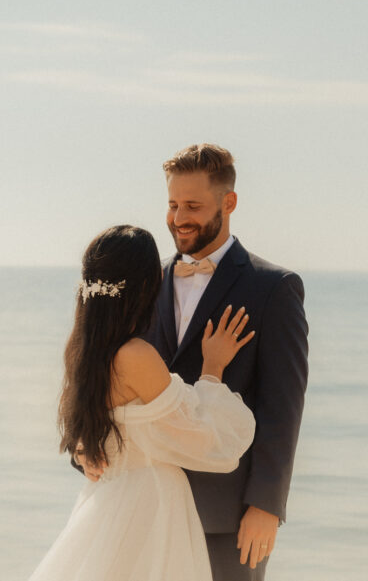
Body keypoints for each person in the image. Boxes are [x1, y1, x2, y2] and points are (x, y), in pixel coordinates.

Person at [81, 144, 309, 580]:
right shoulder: (145, 282)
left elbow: (284, 407)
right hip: (140, 507)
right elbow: (100, 371)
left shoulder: (273, 288)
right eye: (171, 204)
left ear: (229, 203)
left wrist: (266, 504)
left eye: (192, 205)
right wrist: (84, 447)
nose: (178, 217)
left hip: (226, 517)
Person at [28, 225, 258, 581]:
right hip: (150, 506)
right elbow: (199, 438)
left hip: (108, 501)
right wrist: (212, 369)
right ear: (146, 285)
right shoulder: (136, 356)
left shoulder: (82, 353)